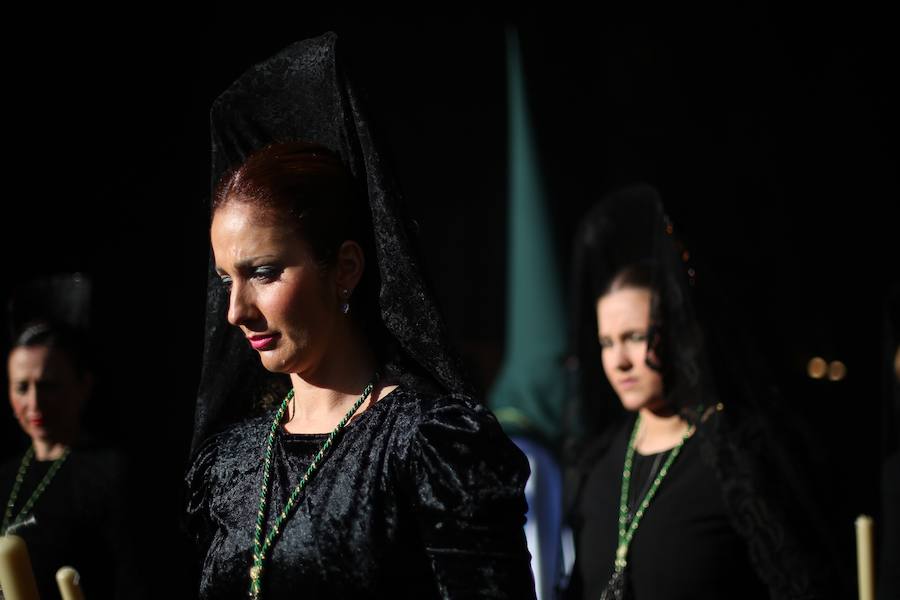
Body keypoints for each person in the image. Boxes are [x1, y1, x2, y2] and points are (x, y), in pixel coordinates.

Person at [185, 33, 536, 599]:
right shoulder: (230, 464)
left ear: (344, 267)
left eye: (266, 273)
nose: (236, 311)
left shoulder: (426, 446)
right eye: (227, 279)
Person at [562, 185, 847, 599]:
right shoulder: (599, 463)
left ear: (677, 334)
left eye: (636, 336)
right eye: (607, 342)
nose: (619, 360)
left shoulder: (740, 461)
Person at [1, 274, 144, 599]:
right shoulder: (5, 475)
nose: (34, 402)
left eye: (48, 385)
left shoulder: (109, 474)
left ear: (83, 386)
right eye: (22, 387)